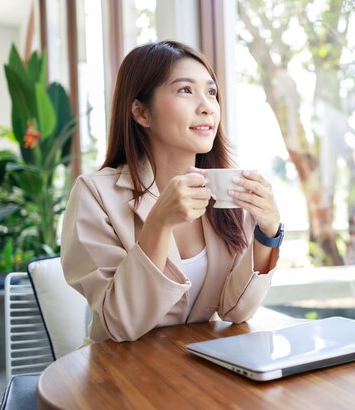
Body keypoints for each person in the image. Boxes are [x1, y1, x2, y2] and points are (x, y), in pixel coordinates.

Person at [61, 40, 283, 343]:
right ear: (142, 113)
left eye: (211, 92)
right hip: (118, 374)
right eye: (185, 90)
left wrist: (267, 232)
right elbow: (119, 323)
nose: (206, 106)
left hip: (194, 370)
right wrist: (159, 224)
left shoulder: (224, 190)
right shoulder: (95, 195)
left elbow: (235, 309)